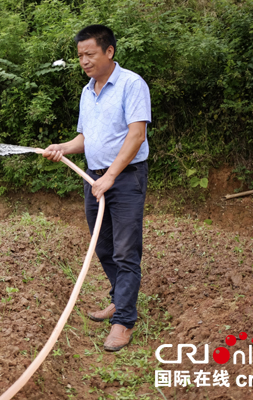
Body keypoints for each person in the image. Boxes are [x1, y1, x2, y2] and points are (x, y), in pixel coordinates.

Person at [43, 24, 151, 352]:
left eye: (90, 54)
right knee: (102, 247)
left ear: (109, 51)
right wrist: (62, 147)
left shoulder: (132, 84)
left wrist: (111, 176)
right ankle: (120, 300)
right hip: (95, 179)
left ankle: (124, 322)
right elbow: (85, 139)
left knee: (125, 250)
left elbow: (137, 135)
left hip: (125, 178)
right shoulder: (87, 91)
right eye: (80, 56)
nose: (84, 61)